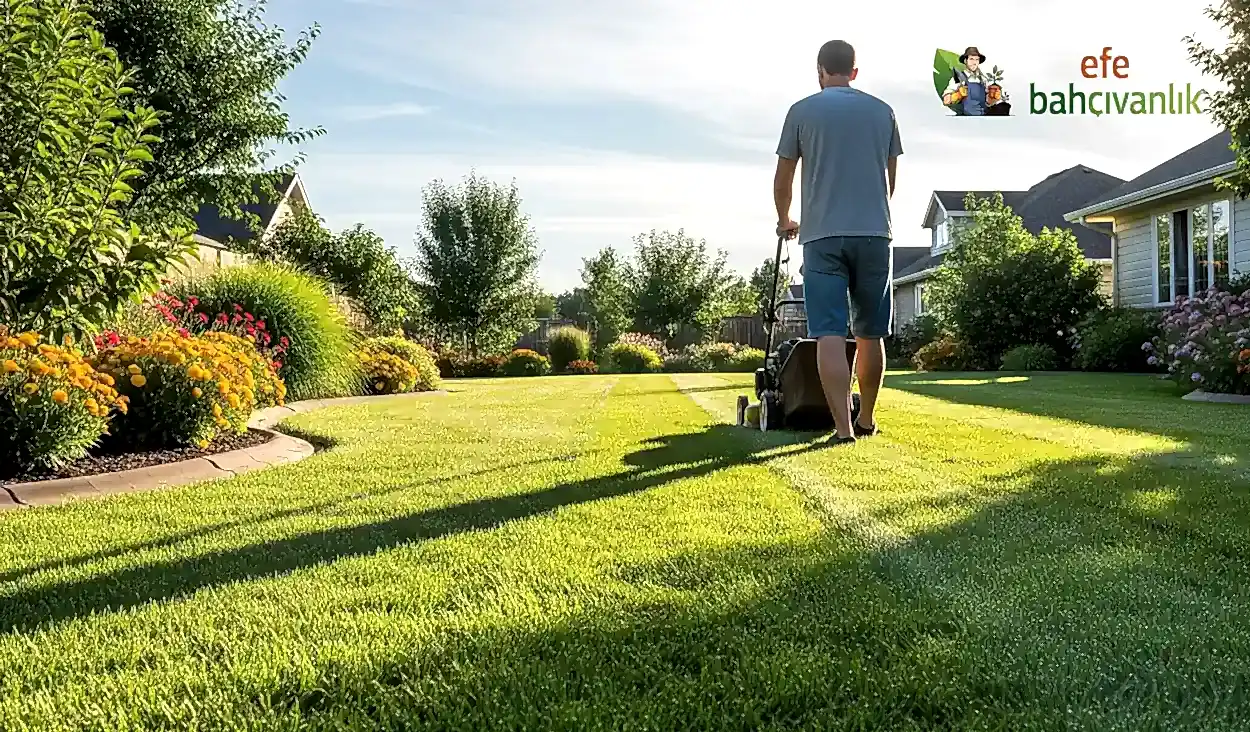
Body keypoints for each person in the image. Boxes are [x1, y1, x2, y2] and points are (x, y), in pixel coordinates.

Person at [773, 39, 901, 445]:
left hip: (822, 235)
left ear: (819, 71)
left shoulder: (801, 111)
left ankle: (842, 431)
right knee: (870, 333)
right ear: (855, 71)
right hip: (874, 233)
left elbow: (783, 178)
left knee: (829, 333)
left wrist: (785, 220)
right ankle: (865, 419)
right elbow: (890, 181)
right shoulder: (884, 112)